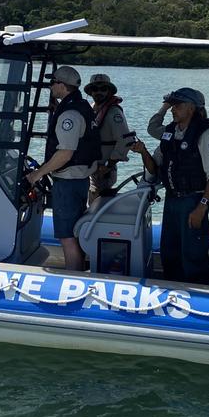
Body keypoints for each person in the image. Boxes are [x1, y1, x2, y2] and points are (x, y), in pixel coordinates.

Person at [132, 87, 209, 284]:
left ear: (191, 108)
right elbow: (155, 168)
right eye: (172, 105)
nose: (173, 109)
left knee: (193, 255)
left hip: (193, 200)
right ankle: (172, 291)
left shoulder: (206, 134)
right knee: (169, 252)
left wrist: (201, 206)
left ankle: (200, 294)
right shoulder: (171, 132)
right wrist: (143, 151)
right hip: (172, 200)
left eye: (177, 105)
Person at [25, 66, 100, 271]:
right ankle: (78, 270)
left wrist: (36, 174)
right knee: (74, 231)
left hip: (67, 182)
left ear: (61, 85)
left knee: (67, 235)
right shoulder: (81, 106)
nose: (50, 86)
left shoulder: (70, 115)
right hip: (80, 179)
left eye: (53, 82)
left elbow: (65, 153)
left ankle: (73, 276)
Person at [85, 73, 134, 202]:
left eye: (103, 89)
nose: (98, 92)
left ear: (109, 91)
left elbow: (126, 140)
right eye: (95, 89)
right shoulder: (91, 109)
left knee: (98, 205)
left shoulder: (114, 112)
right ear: (90, 92)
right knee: (91, 203)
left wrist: (108, 165)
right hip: (91, 168)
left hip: (103, 171)